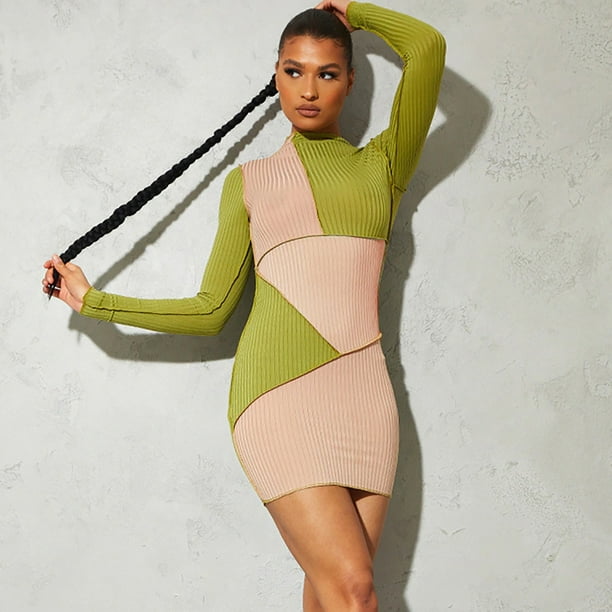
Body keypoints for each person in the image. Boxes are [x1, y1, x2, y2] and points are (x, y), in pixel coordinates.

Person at [43, 1, 445, 609]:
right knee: (355, 590)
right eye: (293, 71)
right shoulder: (249, 182)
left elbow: (428, 48)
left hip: (365, 393)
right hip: (277, 395)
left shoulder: (382, 166)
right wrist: (95, 302)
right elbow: (212, 309)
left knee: (333, 594)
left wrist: (352, 10)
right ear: (275, 74)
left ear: (350, 80)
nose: (308, 90)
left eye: (327, 73)